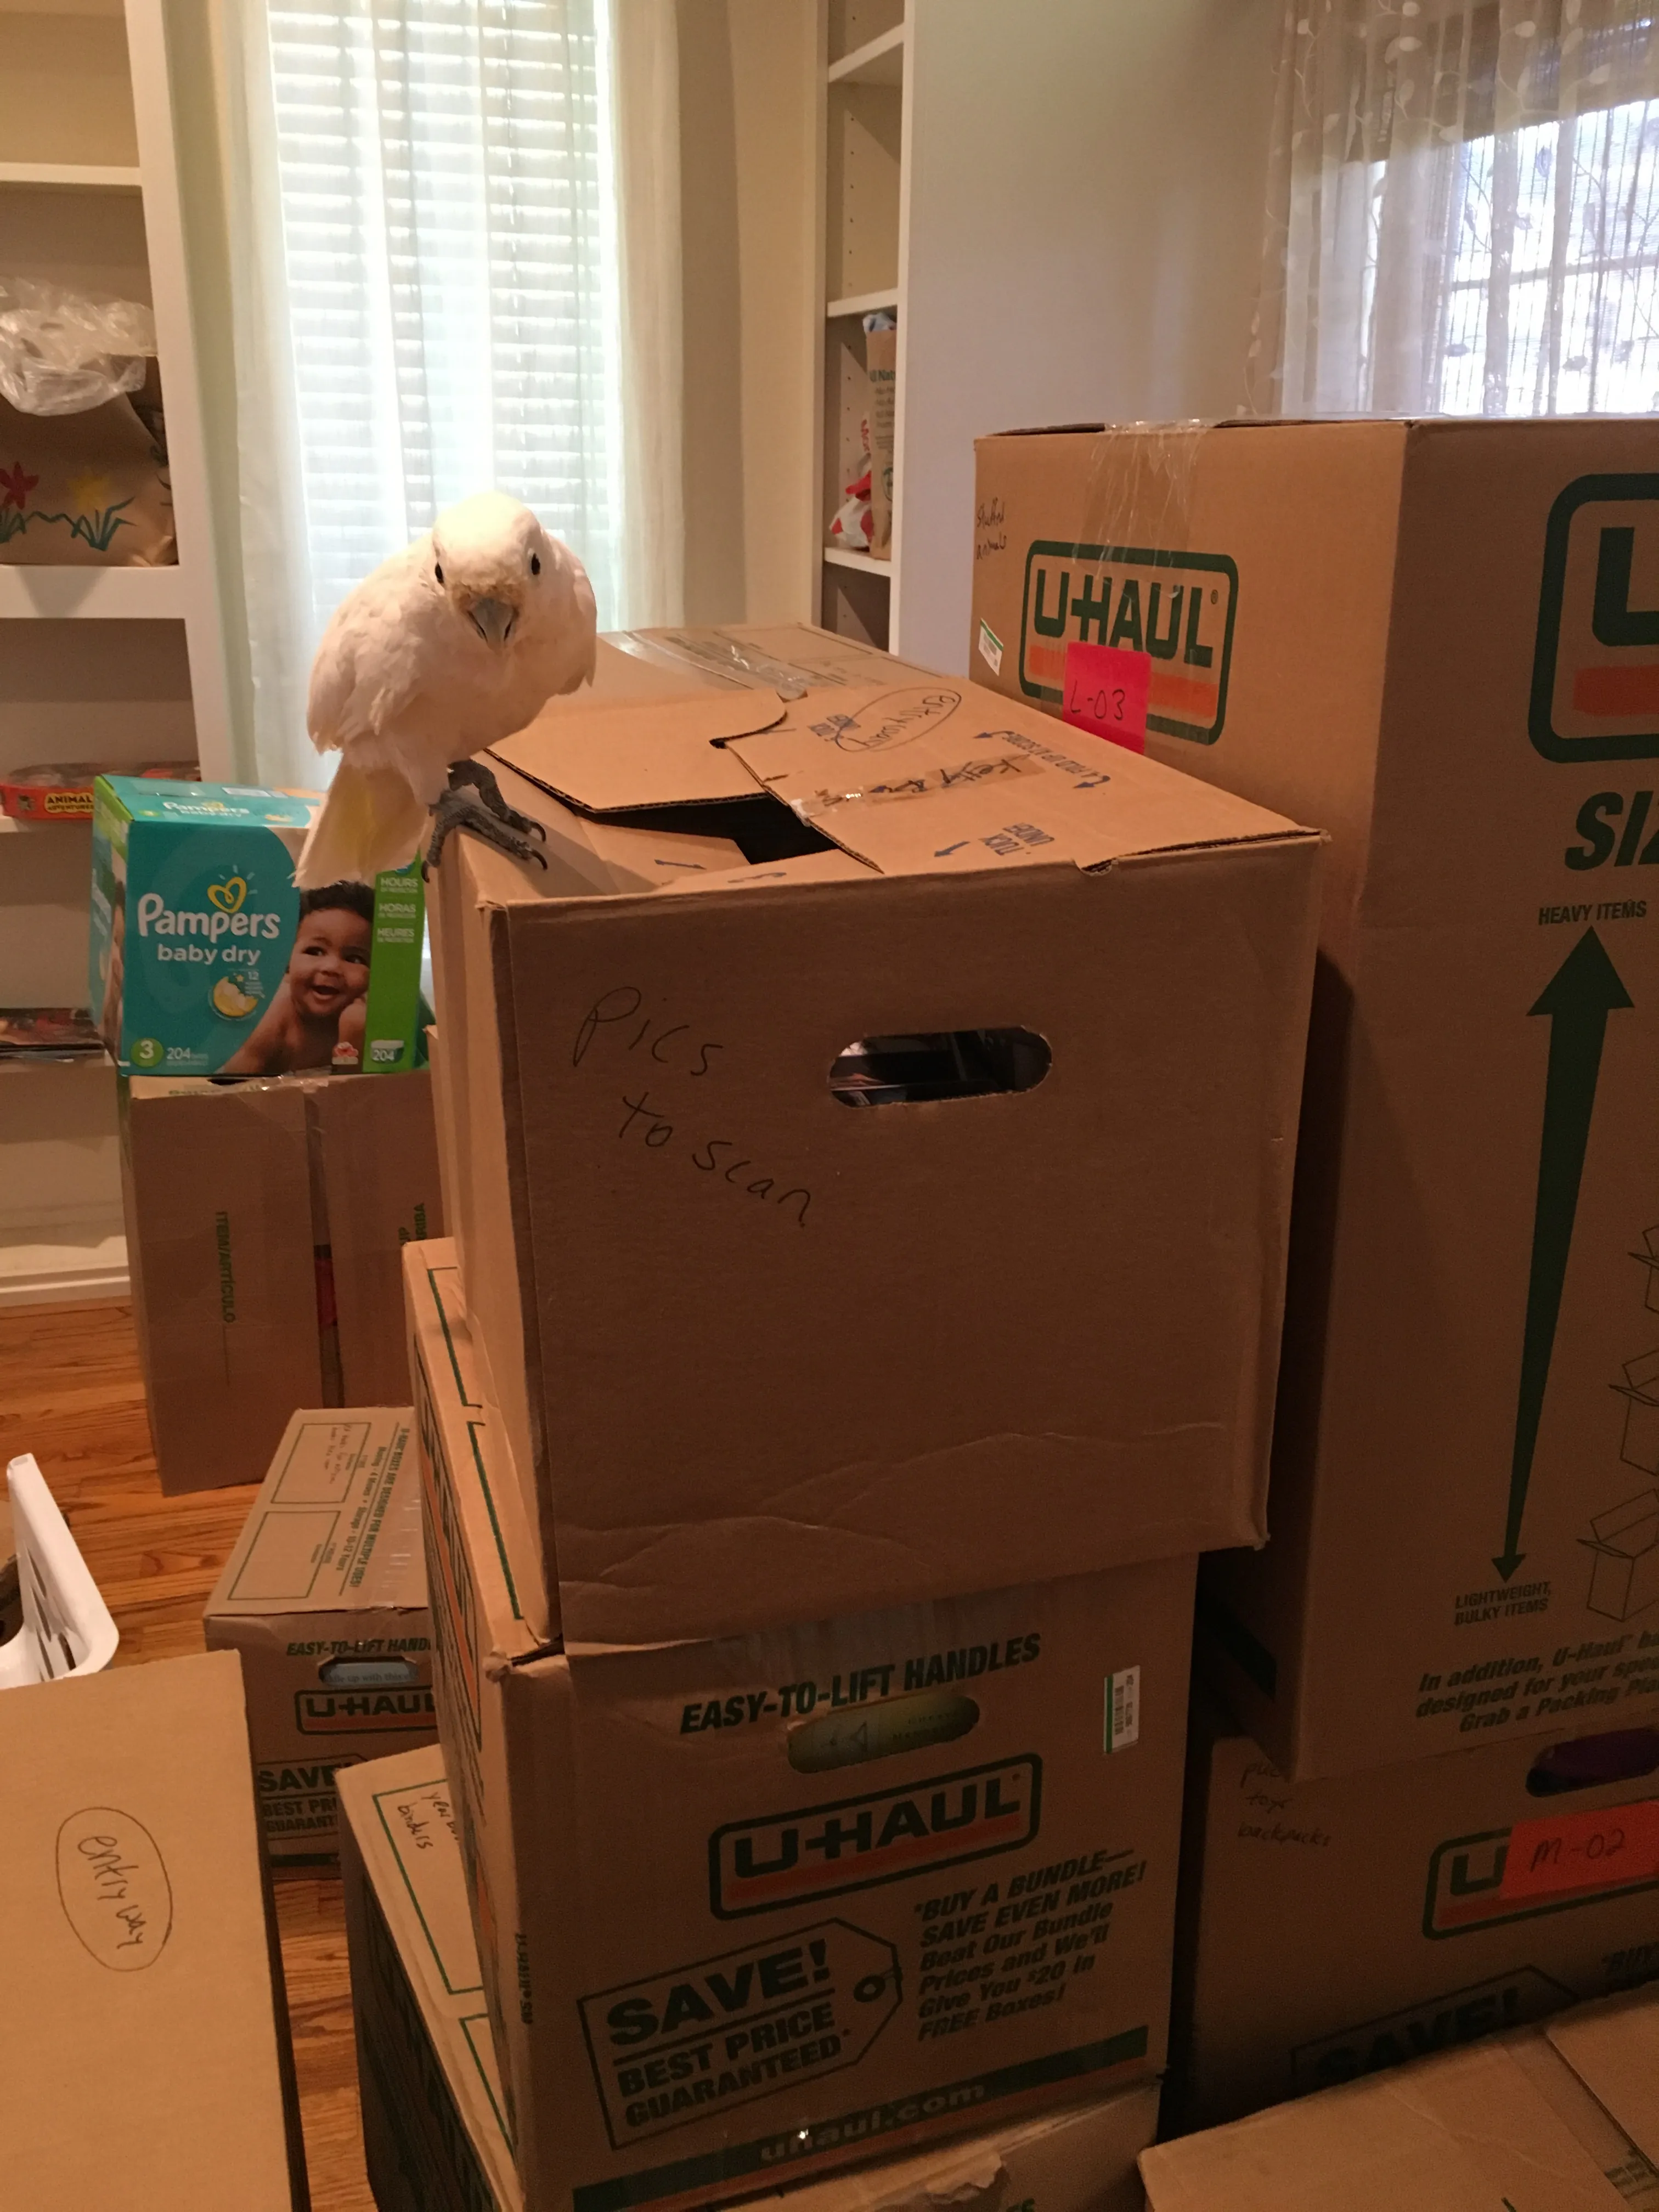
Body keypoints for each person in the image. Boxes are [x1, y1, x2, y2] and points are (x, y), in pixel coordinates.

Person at [221, 882, 373, 1075]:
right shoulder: (272, 1019)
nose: (331, 967)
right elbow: (228, 1090)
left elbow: (354, 1097)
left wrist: (353, 1034)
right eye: (315, 951)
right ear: (286, 962)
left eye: (354, 958)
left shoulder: (361, 1017)